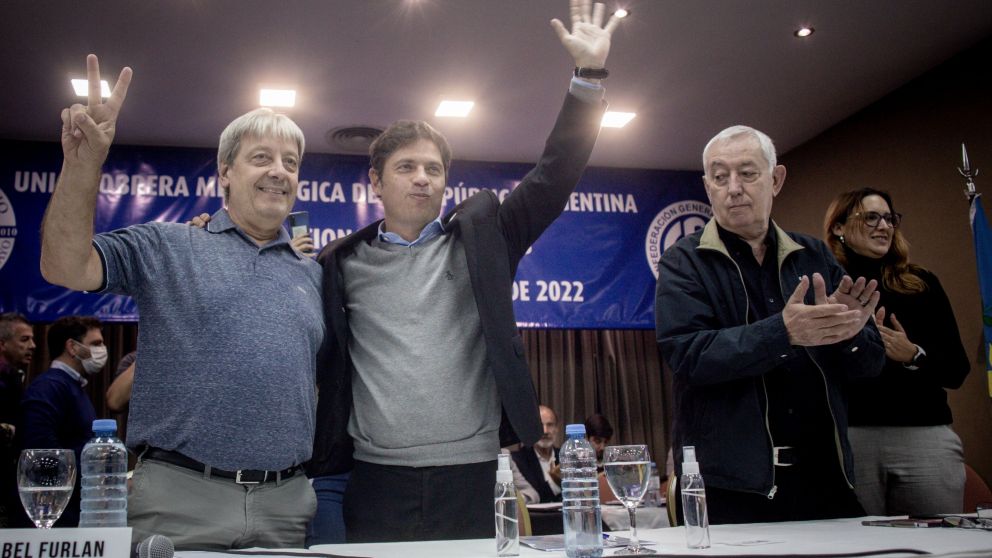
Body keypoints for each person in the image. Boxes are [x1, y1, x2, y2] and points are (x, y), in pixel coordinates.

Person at [304, 1, 620, 542]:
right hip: (375, 479)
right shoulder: (340, 264)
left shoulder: (484, 240)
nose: (423, 179)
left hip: (474, 475)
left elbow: (554, 175)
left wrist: (588, 79)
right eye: (406, 167)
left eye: (434, 169)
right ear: (375, 182)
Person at [39, 55, 323, 549]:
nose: (278, 171)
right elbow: (64, 266)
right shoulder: (168, 246)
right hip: (178, 503)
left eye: (290, 162)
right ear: (225, 173)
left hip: (288, 506)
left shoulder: (313, 274)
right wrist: (83, 165)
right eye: (261, 157)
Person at [654, 125, 886, 524]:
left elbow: (869, 367)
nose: (733, 188)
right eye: (720, 176)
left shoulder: (813, 254)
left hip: (826, 476)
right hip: (733, 485)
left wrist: (847, 333)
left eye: (747, 173)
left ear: (775, 179)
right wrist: (784, 332)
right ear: (707, 186)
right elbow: (688, 355)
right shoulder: (684, 261)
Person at [824, 188, 970, 516]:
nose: (884, 226)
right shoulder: (827, 288)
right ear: (839, 227)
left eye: (890, 218)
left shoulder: (920, 283)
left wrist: (913, 355)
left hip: (924, 436)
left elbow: (957, 370)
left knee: (938, 545)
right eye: (871, 217)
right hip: (852, 438)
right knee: (855, 545)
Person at [17, 315, 105, 527]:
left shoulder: (73, 387)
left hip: (70, 515)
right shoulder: (49, 387)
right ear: (72, 347)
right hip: (49, 521)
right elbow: (39, 456)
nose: (102, 350)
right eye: (95, 344)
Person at [0, 313, 36, 527]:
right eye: (24, 340)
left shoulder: (14, 380)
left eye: (32, 339)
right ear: (2, 344)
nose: (33, 345)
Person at [511, 405, 562, 504]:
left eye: (550, 425)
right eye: (539, 425)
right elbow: (534, 494)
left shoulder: (565, 457)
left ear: (557, 428)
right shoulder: (518, 460)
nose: (545, 431)